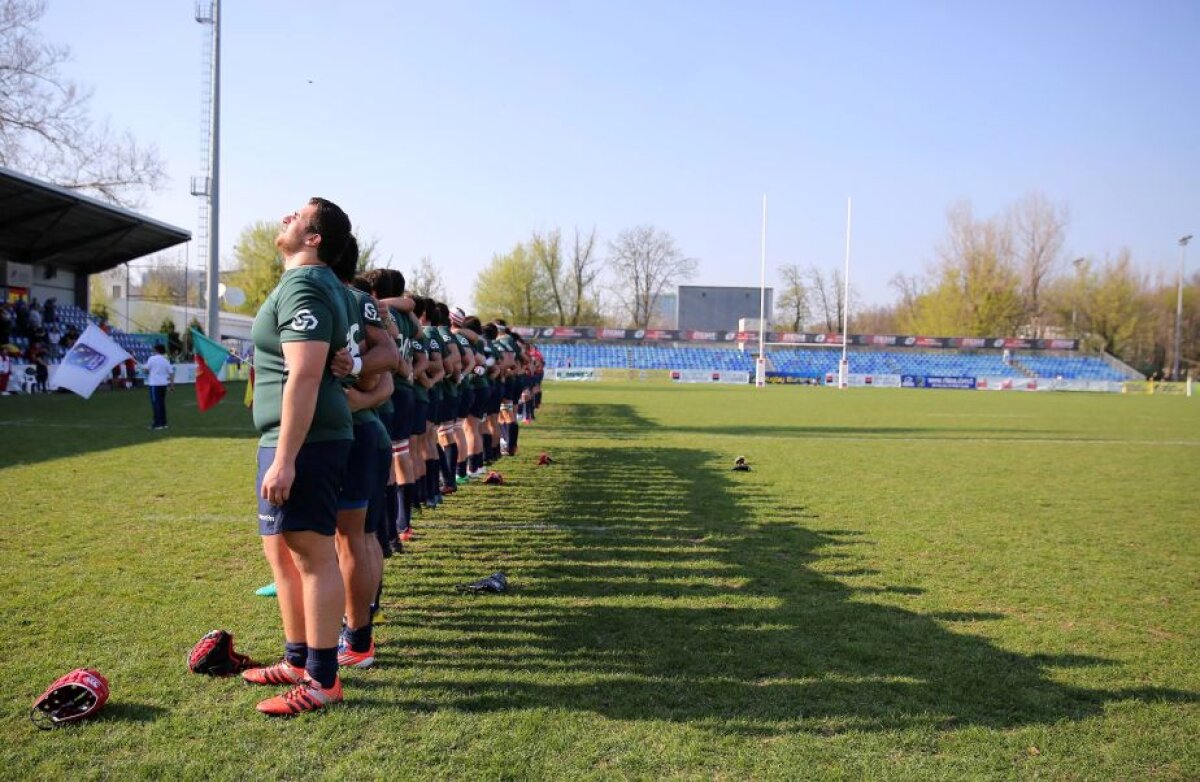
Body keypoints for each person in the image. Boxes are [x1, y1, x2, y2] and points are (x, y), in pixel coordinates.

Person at [239, 197, 356, 717]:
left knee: (312, 553)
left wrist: (286, 457)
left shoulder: (306, 283)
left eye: (298, 215)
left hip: (306, 440)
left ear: (314, 239)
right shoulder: (321, 284)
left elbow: (306, 373)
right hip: (301, 435)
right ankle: (299, 658)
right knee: (294, 549)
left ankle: (322, 679)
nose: (286, 216)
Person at [144, 344, 174, 429]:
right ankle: (164, 423)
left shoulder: (152, 359)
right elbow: (171, 373)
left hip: (155, 385)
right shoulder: (165, 360)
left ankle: (157, 424)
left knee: (156, 404)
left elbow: (146, 370)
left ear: (156, 350)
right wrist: (172, 385)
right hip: (163, 385)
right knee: (161, 404)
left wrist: (144, 369)